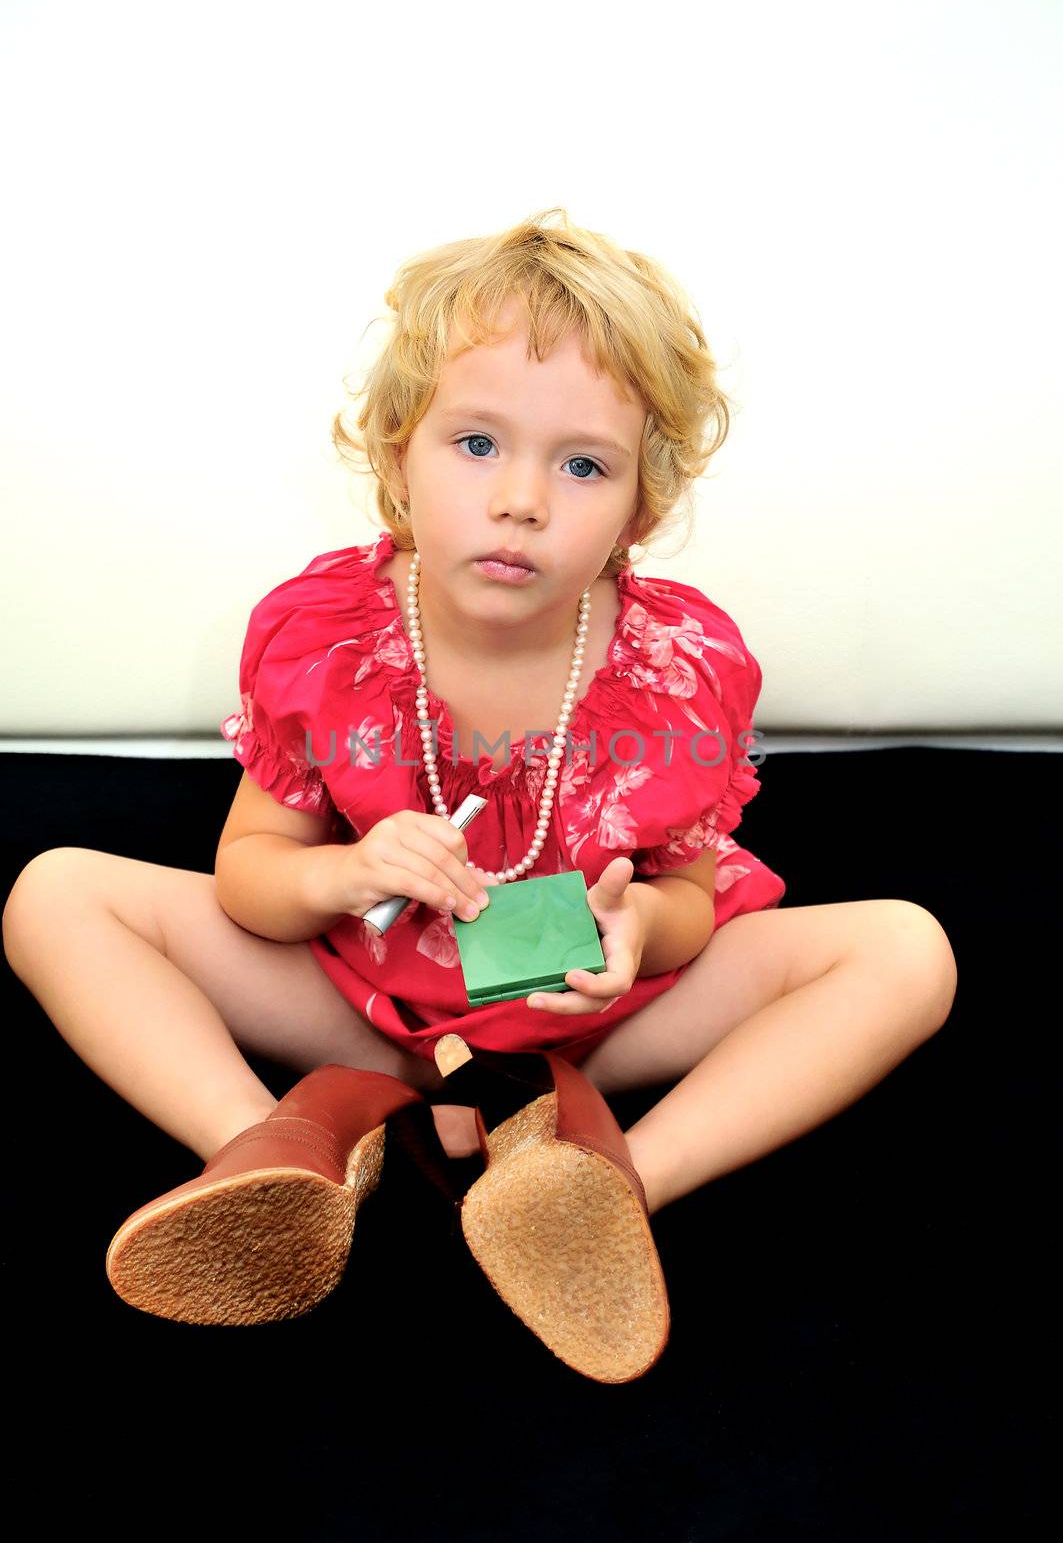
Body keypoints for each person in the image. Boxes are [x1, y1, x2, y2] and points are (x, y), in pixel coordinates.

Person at [1, 206, 957, 1312]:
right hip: (368, 995)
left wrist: (644, 930)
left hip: (582, 1016)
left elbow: (691, 891)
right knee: (54, 893)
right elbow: (252, 874)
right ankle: (284, 1149)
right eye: (476, 443)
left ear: (639, 506)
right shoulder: (330, 637)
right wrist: (341, 875)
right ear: (397, 451)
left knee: (906, 951)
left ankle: (611, 1184)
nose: (521, 499)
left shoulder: (678, 663)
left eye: (583, 465)